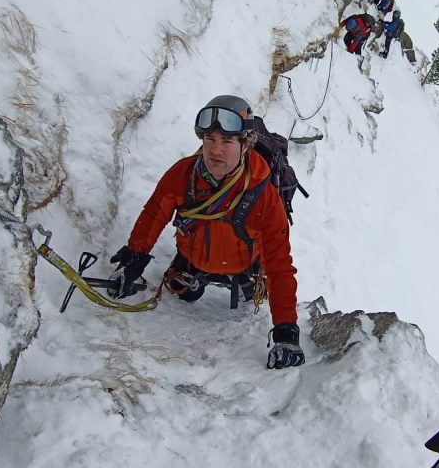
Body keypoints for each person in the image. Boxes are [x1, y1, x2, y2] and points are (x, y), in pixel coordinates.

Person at [109, 95, 305, 370]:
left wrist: (286, 331)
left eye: (227, 142)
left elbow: (280, 265)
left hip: (245, 269)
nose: (216, 150)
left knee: (248, 296)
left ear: (245, 146)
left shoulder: (264, 196)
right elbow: (154, 215)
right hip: (193, 263)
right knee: (186, 293)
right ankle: (197, 277)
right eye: (210, 140)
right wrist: (134, 257)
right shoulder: (183, 175)